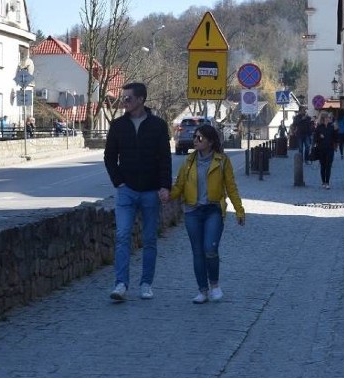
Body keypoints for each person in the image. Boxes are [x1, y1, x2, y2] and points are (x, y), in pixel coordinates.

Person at [104, 82, 172, 302]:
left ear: (141, 99)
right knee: (122, 236)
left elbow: (165, 158)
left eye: (128, 98)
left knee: (150, 239)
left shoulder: (158, 126)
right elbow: (109, 158)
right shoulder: (117, 126)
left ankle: (146, 284)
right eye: (123, 98)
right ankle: (121, 284)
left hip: (151, 191)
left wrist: (164, 186)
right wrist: (119, 182)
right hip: (127, 191)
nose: (124, 102)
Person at [170, 124, 245, 304]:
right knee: (197, 252)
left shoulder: (222, 161)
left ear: (210, 142)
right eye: (195, 137)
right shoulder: (189, 161)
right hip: (192, 211)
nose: (195, 140)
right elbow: (179, 185)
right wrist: (167, 196)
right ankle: (202, 291)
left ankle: (215, 285)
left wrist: (239, 210)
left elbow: (231, 187)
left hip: (213, 210)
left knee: (210, 250)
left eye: (200, 138)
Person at [314, 111, 338, 189]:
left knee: (329, 166)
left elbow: (336, 138)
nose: (330, 119)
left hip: (330, 149)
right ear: (324, 118)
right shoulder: (319, 127)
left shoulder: (332, 126)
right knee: (323, 166)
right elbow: (315, 139)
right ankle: (323, 182)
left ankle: (327, 182)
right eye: (328, 117)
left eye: (330, 117)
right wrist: (319, 137)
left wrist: (336, 130)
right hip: (321, 149)